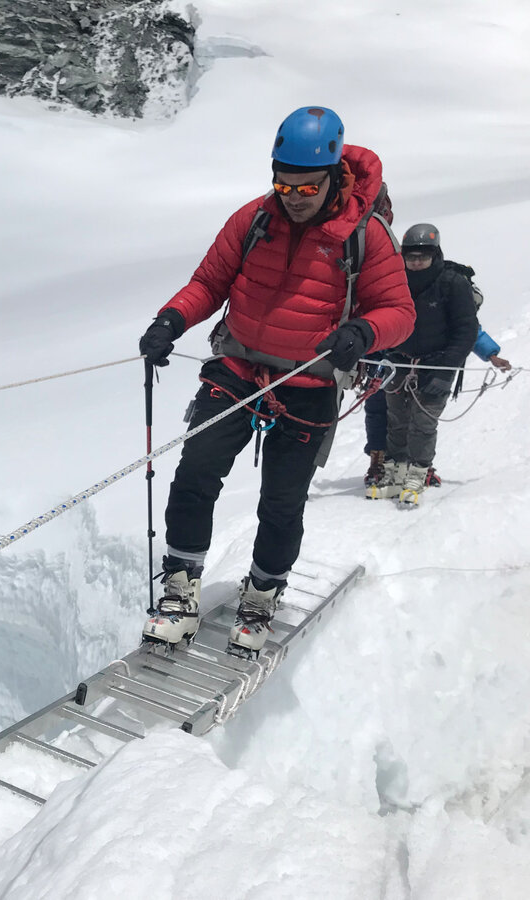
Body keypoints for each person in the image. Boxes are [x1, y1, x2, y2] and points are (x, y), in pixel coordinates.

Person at [138, 106, 414, 657]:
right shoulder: (255, 218)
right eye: (282, 182)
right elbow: (209, 281)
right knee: (195, 473)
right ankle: (179, 585)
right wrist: (171, 320)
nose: (293, 195)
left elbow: (399, 311)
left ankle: (263, 591)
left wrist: (363, 331)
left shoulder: (365, 235)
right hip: (237, 368)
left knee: (282, 501)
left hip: (309, 385)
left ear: (335, 174)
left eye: (306, 185)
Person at [365, 224, 479, 503]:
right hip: (398, 360)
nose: (416, 262)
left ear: (435, 254)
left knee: (423, 422)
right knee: (396, 420)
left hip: (437, 363)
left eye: (422, 257)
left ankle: (418, 471)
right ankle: (395, 470)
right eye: (411, 256)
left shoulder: (453, 282)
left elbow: (466, 330)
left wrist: (447, 368)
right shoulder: (395, 280)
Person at [363, 286, 511, 488]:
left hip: (402, 366)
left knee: (415, 417)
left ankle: (413, 464)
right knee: (383, 414)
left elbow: (470, 333)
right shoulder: (418, 303)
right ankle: (381, 460)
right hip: (386, 363)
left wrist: (491, 355)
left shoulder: (447, 311)